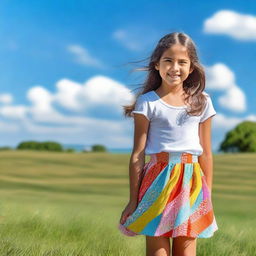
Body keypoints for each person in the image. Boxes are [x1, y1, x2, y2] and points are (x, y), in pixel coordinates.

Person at [118, 32, 218, 256]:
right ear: (157, 65)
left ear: (191, 67)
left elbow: (207, 154)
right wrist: (133, 201)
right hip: (156, 179)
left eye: (182, 62)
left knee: (186, 251)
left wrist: (206, 197)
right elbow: (137, 154)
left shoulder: (202, 101)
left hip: (191, 180)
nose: (175, 67)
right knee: (157, 251)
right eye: (168, 61)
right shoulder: (147, 103)